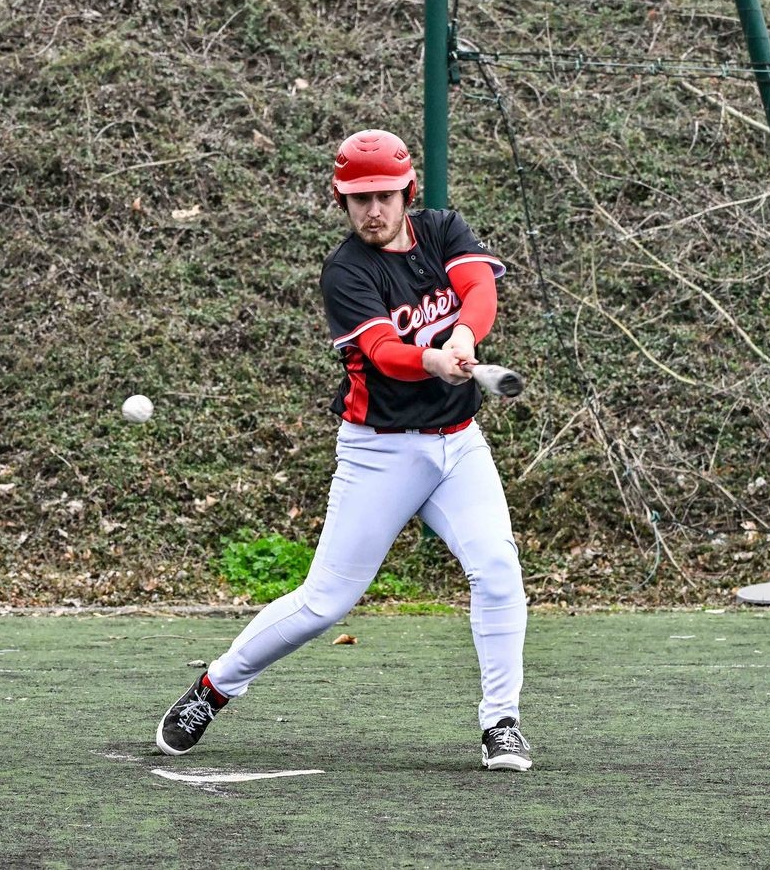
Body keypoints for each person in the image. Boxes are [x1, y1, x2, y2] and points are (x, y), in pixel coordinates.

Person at [155, 129, 533, 770]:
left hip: (459, 446)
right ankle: (216, 685)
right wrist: (435, 358)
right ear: (342, 201)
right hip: (380, 454)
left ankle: (502, 722)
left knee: (498, 571)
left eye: (385, 196)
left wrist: (466, 332)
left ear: (407, 193)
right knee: (324, 602)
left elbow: (480, 290)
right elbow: (387, 355)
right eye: (359, 199)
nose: (373, 211)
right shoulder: (347, 271)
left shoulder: (442, 230)